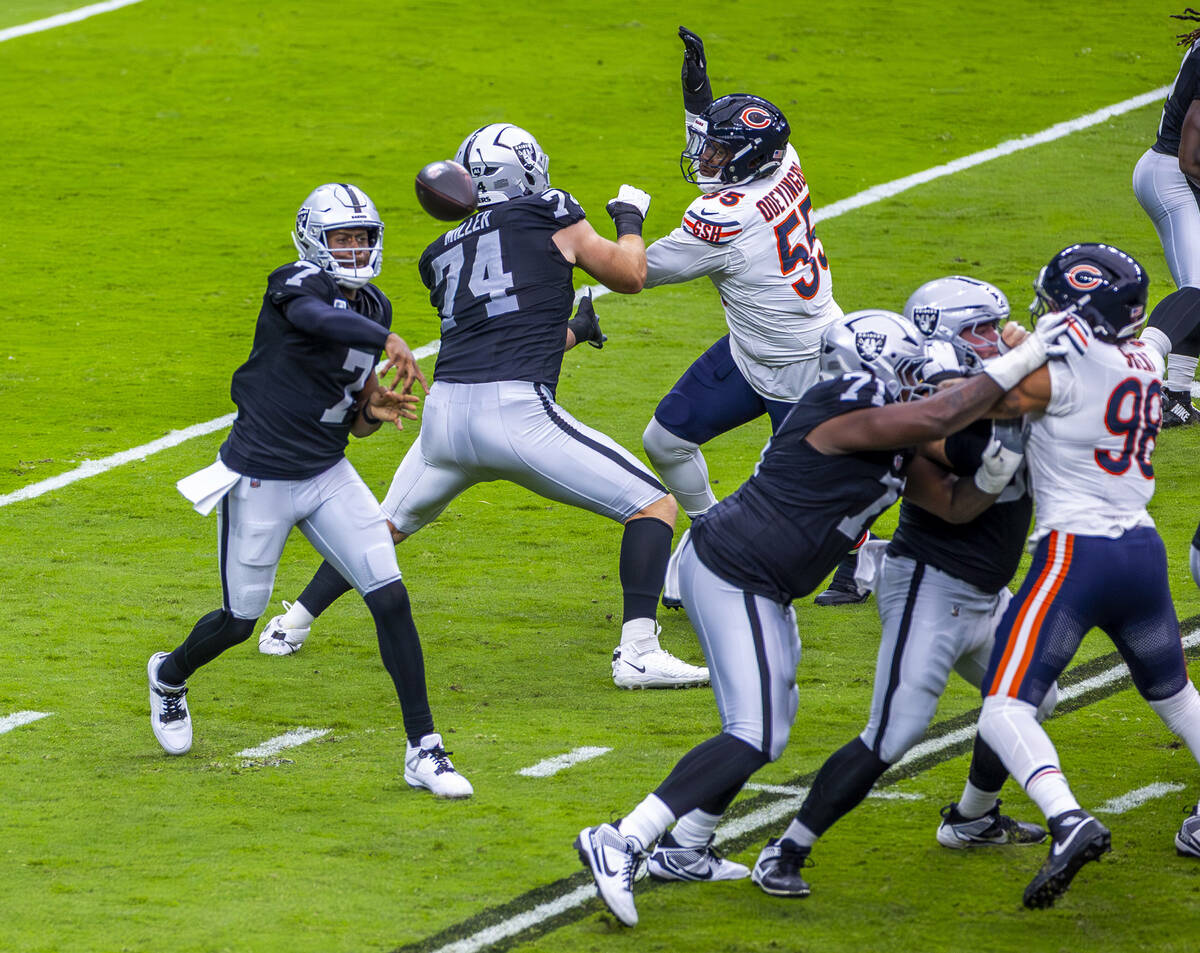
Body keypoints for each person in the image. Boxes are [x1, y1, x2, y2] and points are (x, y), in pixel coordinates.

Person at [574, 306, 1081, 927]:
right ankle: (624, 837)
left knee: (769, 724)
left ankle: (686, 848)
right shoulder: (843, 404)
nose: (920, 380)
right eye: (908, 370)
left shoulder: (888, 427)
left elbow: (951, 505)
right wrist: (1025, 361)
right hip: (734, 570)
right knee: (755, 731)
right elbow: (941, 414)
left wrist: (1004, 458)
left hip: (764, 583)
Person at [257, 125, 709, 690]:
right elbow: (631, 275)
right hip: (515, 414)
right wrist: (629, 221)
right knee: (654, 506)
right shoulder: (549, 209)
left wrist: (570, 332)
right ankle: (639, 651)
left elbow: (502, 327)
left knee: (385, 526)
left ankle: (290, 625)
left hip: (445, 416)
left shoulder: (438, 253)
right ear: (525, 169)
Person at [150, 183, 473, 798]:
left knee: (390, 598)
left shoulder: (375, 308)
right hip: (260, 477)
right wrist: (384, 343)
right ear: (313, 241)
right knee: (240, 621)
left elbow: (350, 416)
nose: (353, 249)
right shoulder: (297, 284)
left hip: (326, 473)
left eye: (362, 237)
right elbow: (313, 319)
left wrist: (372, 410)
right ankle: (169, 676)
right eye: (341, 238)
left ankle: (423, 750)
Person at [746, 277, 1055, 902]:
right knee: (894, 731)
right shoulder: (917, 412)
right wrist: (1033, 378)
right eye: (980, 330)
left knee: (1033, 698)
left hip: (986, 591)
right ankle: (787, 847)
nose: (994, 340)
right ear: (940, 335)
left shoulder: (990, 390)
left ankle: (972, 818)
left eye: (997, 327)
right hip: (930, 588)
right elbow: (964, 466)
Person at [966, 243, 1200, 909]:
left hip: (1076, 554)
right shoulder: (1147, 360)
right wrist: (1040, 336)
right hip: (1141, 550)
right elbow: (1168, 314)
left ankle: (1066, 818)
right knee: (1177, 698)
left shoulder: (1052, 374)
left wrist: (1017, 345)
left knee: (1004, 705)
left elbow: (993, 397)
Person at [641, 28, 867, 610]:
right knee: (664, 440)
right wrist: (699, 98)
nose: (706, 157)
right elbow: (729, 159)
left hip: (801, 362)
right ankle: (708, 532)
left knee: (803, 494)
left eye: (719, 150)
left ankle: (857, 558)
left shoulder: (727, 218)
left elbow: (635, 271)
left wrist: (614, 227)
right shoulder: (783, 158)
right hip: (753, 348)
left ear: (745, 159)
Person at [1132, 8, 1200, 427]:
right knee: (1198, 289)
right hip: (1171, 174)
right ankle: (1141, 364)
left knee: (1195, 294)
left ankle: (1175, 395)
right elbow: (1191, 157)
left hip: (1181, 175)